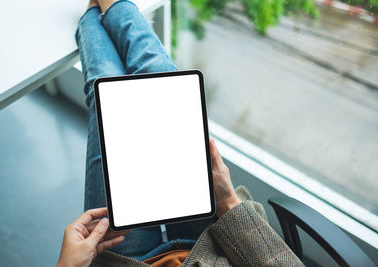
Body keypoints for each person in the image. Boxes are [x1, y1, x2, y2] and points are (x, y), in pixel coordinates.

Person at [57, 1, 305, 266]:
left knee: (104, 93)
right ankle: (108, 7)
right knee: (160, 76)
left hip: (136, 261)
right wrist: (228, 202)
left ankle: (95, 13)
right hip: (218, 247)